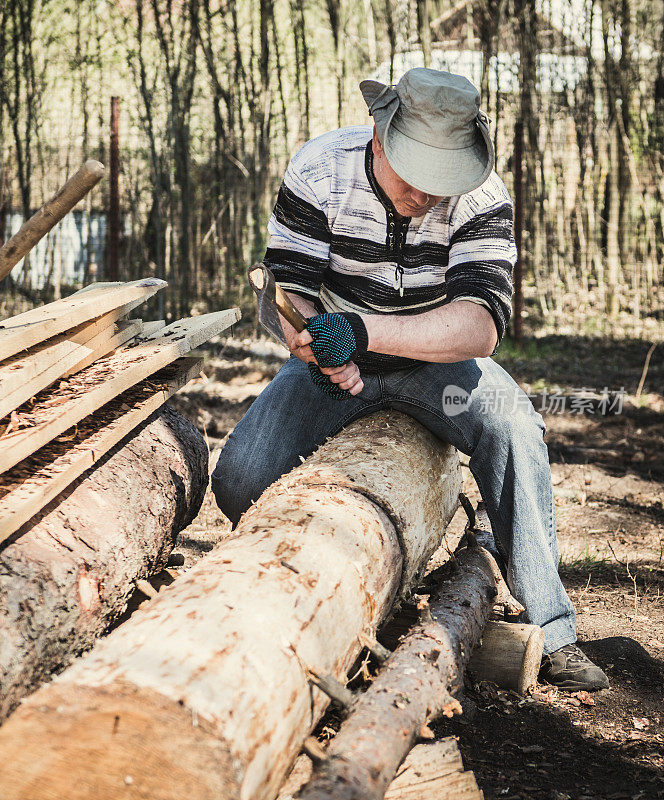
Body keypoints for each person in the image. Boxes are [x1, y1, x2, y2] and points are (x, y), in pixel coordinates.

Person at [211, 67, 609, 692]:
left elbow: (480, 326)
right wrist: (313, 340)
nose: (426, 194)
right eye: (414, 176)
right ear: (379, 138)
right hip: (335, 366)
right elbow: (289, 293)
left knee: (512, 428)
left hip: (440, 366)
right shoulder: (319, 170)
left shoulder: (483, 197)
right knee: (240, 479)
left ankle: (554, 629)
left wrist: (364, 334)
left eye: (439, 181)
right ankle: (287, 600)